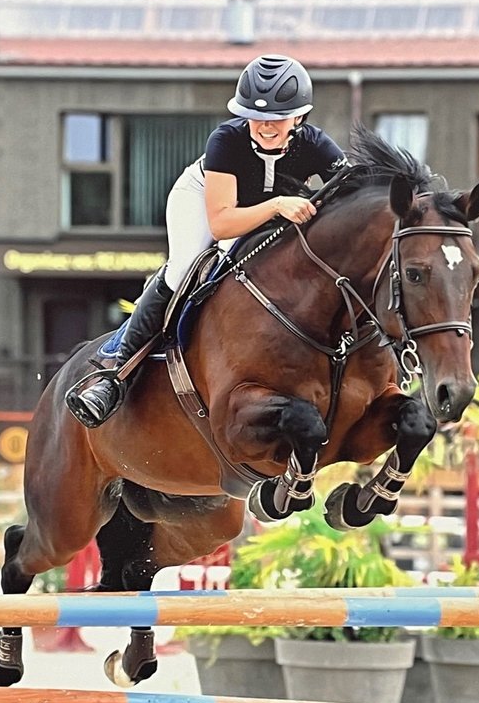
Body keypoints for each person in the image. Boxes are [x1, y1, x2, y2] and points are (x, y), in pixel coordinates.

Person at [65, 54, 348, 428]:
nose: (264, 127)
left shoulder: (316, 146)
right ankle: (115, 373)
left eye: (276, 119)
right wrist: (279, 204)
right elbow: (222, 224)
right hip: (205, 203)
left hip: (265, 211)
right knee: (185, 266)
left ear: (299, 117)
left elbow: (350, 193)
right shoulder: (227, 140)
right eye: (255, 116)